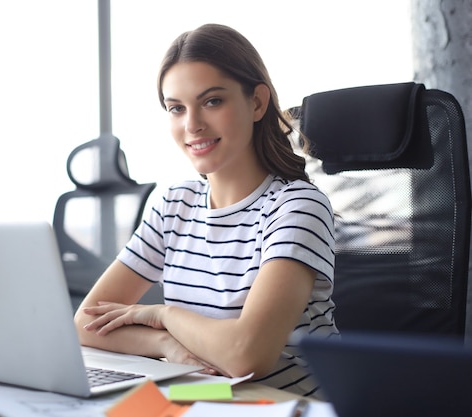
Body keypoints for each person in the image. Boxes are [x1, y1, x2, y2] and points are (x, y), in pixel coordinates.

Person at [74, 23, 338, 399]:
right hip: (197, 396)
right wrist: (165, 345)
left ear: (257, 103)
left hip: (279, 404)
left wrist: (164, 316)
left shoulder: (297, 208)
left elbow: (247, 355)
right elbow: (85, 322)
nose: (192, 125)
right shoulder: (173, 204)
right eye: (176, 108)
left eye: (212, 101)